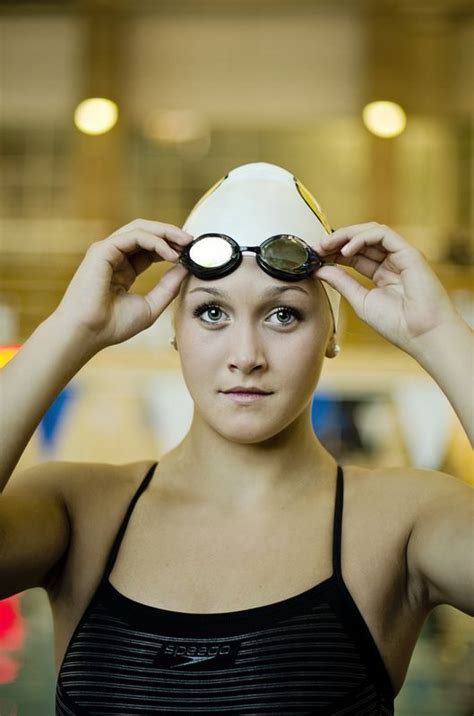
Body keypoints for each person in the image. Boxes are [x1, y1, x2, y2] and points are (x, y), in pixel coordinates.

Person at [0, 161, 472, 715]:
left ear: (331, 332)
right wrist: (69, 329)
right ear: (173, 330)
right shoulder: (78, 510)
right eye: (212, 312)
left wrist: (438, 335)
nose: (245, 356)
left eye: (282, 314)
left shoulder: (403, 522)